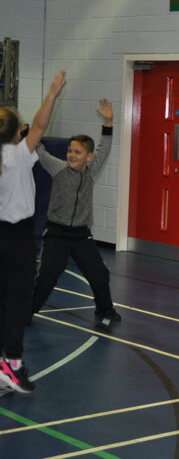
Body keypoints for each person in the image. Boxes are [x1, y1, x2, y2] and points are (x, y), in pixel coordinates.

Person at [0, 70, 66, 393]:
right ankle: (11, 363)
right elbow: (40, 126)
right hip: (17, 237)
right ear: (17, 132)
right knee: (17, 302)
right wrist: (51, 94)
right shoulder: (18, 154)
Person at [31, 99, 122, 326]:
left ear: (88, 156)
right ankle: (27, 312)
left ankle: (105, 309)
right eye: (70, 151)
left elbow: (104, 147)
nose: (71, 155)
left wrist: (108, 122)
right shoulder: (58, 168)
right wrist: (31, 132)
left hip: (81, 234)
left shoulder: (91, 171)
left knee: (99, 273)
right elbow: (39, 150)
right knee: (48, 275)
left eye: (78, 152)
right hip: (56, 233)